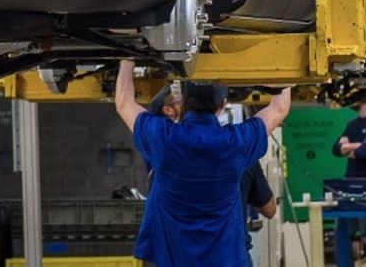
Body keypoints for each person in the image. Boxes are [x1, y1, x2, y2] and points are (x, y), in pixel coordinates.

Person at [115, 60, 293, 267]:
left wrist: (126, 60)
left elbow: (123, 103)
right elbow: (280, 107)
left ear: (183, 102)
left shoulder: (164, 139)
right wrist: (281, 62)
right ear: (222, 104)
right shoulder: (235, 143)